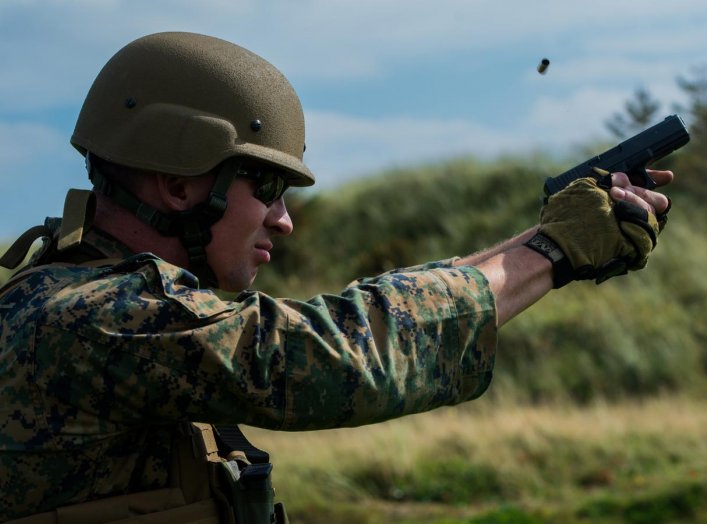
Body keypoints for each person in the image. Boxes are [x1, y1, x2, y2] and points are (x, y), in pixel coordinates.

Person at [0, 32, 672, 523]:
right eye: (266, 187)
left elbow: (374, 317)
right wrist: (552, 253)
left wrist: (545, 240)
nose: (282, 221)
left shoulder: (69, 295)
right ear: (178, 184)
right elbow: (344, 353)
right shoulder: (102, 317)